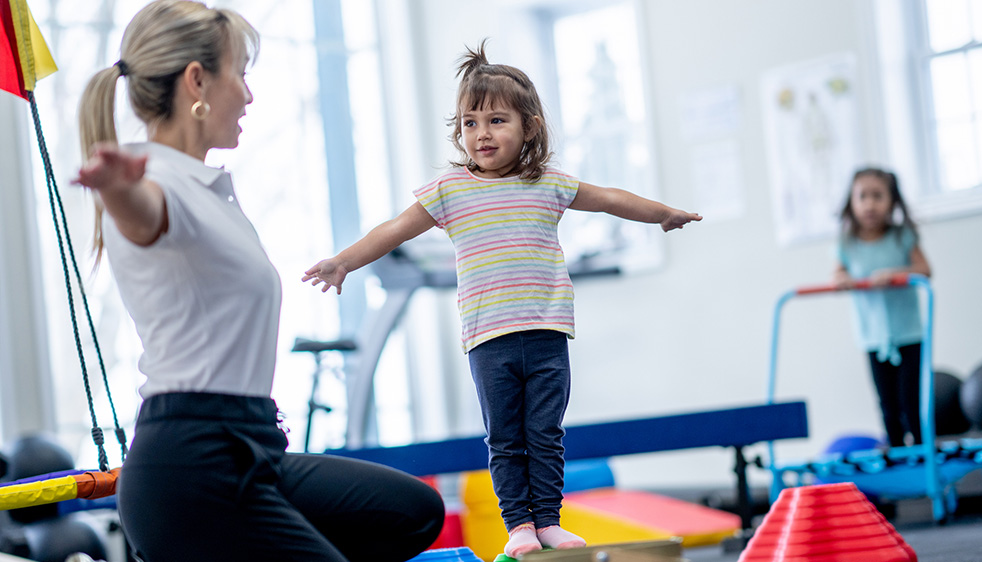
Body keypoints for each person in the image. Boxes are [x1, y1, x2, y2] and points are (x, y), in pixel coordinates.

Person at [73, 1, 443, 560]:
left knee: (411, 512)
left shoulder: (206, 188)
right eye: (239, 74)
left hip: (252, 448)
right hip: (192, 466)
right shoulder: (157, 181)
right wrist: (118, 191)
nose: (248, 94)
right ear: (197, 80)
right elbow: (144, 215)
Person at [303, 41, 702, 558]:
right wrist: (344, 262)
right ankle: (520, 526)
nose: (482, 134)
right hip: (487, 338)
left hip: (546, 331)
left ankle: (549, 521)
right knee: (505, 438)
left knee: (545, 432)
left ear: (528, 126)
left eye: (496, 120)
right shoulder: (449, 189)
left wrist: (662, 213)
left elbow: (609, 200)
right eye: (470, 123)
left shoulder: (547, 182)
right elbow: (395, 230)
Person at [833, 167, 932, 448]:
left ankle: (923, 454)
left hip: (908, 334)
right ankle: (898, 452)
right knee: (887, 402)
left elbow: (924, 270)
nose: (870, 204)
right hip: (873, 338)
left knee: (911, 400)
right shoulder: (848, 243)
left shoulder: (902, 236)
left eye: (878, 196)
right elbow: (838, 274)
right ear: (852, 203)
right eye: (863, 197)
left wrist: (895, 274)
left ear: (892, 201)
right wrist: (842, 279)